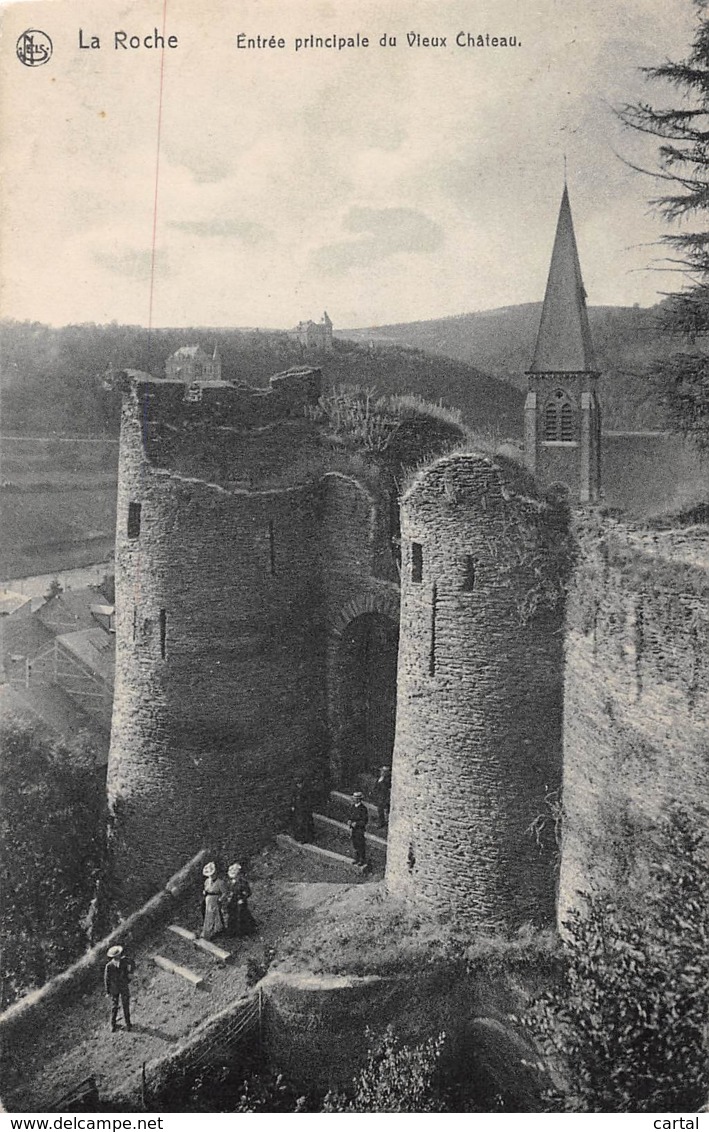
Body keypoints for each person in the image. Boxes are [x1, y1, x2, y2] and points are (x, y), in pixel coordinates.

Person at [104, 944, 134, 1032]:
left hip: (124, 986)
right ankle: (113, 1024)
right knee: (114, 1006)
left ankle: (128, 1024)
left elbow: (132, 963)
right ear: (113, 957)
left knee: (126, 1005)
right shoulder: (109, 966)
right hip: (114, 989)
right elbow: (106, 979)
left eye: (119, 954)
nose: (118, 956)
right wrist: (107, 991)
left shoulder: (125, 961)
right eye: (116, 956)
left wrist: (130, 973)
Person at [224, 862, 257, 937]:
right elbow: (228, 891)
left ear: (238, 874)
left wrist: (242, 899)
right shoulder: (229, 882)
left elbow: (248, 892)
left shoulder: (242, 882)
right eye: (231, 872)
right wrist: (228, 897)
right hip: (232, 901)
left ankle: (245, 931)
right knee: (232, 914)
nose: (232, 874)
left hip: (240, 901)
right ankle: (232, 931)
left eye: (235, 872)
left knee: (241, 915)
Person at [200, 861, 227, 940]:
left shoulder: (220, 883)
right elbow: (205, 889)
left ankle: (213, 931)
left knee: (213, 915)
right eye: (209, 875)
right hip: (208, 900)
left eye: (212, 875)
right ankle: (209, 931)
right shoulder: (207, 881)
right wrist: (205, 892)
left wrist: (220, 899)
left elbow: (225, 893)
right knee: (207, 915)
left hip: (215, 900)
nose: (211, 876)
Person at [289, 777, 315, 843]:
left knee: (306, 824)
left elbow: (308, 801)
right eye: (297, 784)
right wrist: (293, 806)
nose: (299, 785)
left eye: (300, 784)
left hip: (305, 810)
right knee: (299, 823)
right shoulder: (296, 790)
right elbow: (293, 798)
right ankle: (299, 837)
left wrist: (306, 808)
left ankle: (307, 839)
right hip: (298, 810)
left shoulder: (305, 791)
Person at [349, 791, 369, 868]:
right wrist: (349, 821)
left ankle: (362, 859)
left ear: (359, 799)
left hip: (360, 830)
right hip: (353, 829)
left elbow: (365, 820)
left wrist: (357, 824)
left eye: (355, 799)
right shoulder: (353, 807)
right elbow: (350, 816)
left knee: (360, 844)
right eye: (353, 798)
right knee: (355, 844)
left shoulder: (363, 809)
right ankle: (356, 858)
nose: (353, 800)